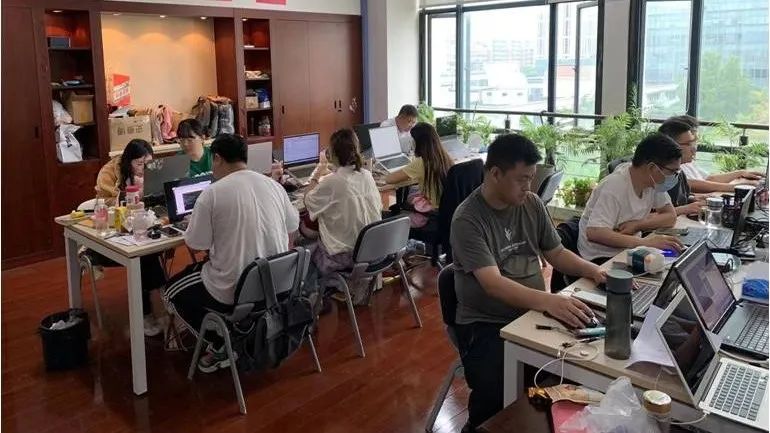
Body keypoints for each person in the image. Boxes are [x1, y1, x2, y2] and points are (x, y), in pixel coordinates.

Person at [450, 134, 607, 430]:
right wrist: (549, 301)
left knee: (577, 363)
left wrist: (594, 271)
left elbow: (556, 252)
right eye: (522, 179)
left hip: (532, 313)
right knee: (496, 393)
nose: (528, 187)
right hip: (485, 323)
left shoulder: (531, 203)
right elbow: (493, 284)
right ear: (495, 174)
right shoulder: (468, 219)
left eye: (531, 178)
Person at [164, 134, 299, 373]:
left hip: (233, 289)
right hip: (275, 284)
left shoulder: (212, 194)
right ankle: (239, 331)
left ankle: (222, 343)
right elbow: (292, 225)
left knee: (171, 292)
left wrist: (198, 222)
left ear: (217, 158)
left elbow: (195, 243)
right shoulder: (273, 185)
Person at [94, 139, 166, 336]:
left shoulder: (149, 172)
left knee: (148, 253)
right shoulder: (110, 172)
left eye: (147, 163)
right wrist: (130, 195)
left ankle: (156, 306)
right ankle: (157, 304)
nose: (143, 168)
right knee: (145, 257)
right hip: (112, 234)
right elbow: (105, 202)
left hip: (141, 231)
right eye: (139, 163)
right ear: (129, 160)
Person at [578, 133, 684, 264]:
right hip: (602, 256)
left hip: (632, 248)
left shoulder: (653, 183)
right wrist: (646, 242)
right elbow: (595, 232)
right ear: (652, 168)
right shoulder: (614, 186)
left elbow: (670, 217)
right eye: (673, 172)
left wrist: (638, 225)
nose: (675, 177)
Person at [303, 129, 382, 276]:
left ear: (332, 154)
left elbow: (307, 199)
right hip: (376, 250)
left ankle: (315, 284)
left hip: (348, 257)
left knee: (305, 227)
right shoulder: (367, 175)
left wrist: (317, 173)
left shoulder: (333, 182)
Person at [671, 115, 764, 193]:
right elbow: (690, 184)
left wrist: (741, 173)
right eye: (689, 143)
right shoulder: (671, 166)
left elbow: (708, 179)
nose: (694, 148)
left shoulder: (688, 162)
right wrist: (735, 187)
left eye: (694, 142)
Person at [383, 122, 454, 215]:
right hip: (445, 209)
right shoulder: (445, 157)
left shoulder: (421, 162)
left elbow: (389, 179)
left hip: (431, 211)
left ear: (417, 142)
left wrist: (405, 169)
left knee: (395, 207)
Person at [658, 117, 707, 216]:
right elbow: (647, 216)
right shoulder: (655, 174)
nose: (694, 149)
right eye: (688, 144)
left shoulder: (679, 171)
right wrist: (684, 209)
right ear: (671, 145)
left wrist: (693, 198)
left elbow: (678, 199)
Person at [95, 138, 154, 206]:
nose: (145, 168)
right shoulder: (108, 172)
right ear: (128, 162)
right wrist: (126, 199)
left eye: (148, 163)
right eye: (139, 164)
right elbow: (102, 200)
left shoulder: (153, 167)